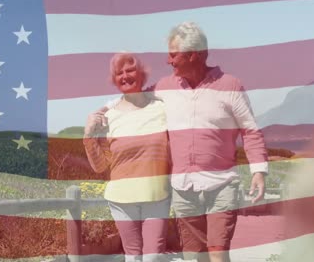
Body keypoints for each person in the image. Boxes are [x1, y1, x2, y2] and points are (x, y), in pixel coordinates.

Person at [103, 22, 268, 262]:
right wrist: (102, 112)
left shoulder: (230, 85)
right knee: (193, 257)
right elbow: (133, 98)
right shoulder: (164, 87)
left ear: (193, 55)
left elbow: (250, 131)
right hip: (183, 190)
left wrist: (259, 171)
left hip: (222, 185)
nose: (168, 61)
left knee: (217, 253)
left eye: (173, 55)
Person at [83, 53, 171, 262]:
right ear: (114, 80)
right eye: (119, 73)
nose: (125, 76)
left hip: (156, 197)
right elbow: (100, 165)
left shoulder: (161, 108)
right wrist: (88, 135)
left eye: (130, 70)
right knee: (132, 257)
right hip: (121, 199)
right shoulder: (108, 118)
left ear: (141, 74)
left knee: (153, 258)